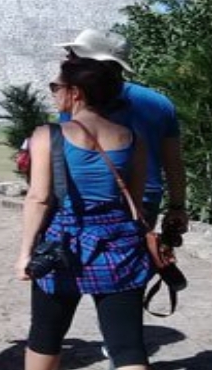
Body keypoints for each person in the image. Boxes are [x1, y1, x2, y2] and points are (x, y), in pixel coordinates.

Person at [15, 59, 152, 370]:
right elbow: (134, 201)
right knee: (127, 344)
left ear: (75, 93)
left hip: (66, 242)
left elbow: (39, 198)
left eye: (56, 87)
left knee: (46, 333)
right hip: (119, 242)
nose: (54, 94)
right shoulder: (132, 138)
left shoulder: (48, 135)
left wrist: (24, 254)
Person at [55, 29, 186, 235]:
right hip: (144, 202)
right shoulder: (158, 103)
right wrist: (177, 207)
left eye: (74, 56)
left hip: (87, 202)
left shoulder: (77, 101)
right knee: (130, 261)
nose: (68, 60)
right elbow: (173, 162)